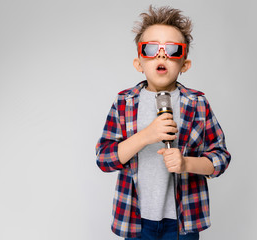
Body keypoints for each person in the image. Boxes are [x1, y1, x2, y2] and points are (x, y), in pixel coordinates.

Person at [96, 5, 231, 240]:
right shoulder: (124, 103)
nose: (161, 55)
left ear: (184, 65)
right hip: (136, 221)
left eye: (172, 49)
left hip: (183, 221)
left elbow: (220, 158)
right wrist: (146, 136)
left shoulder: (197, 103)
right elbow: (104, 159)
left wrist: (186, 163)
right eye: (150, 48)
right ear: (139, 63)